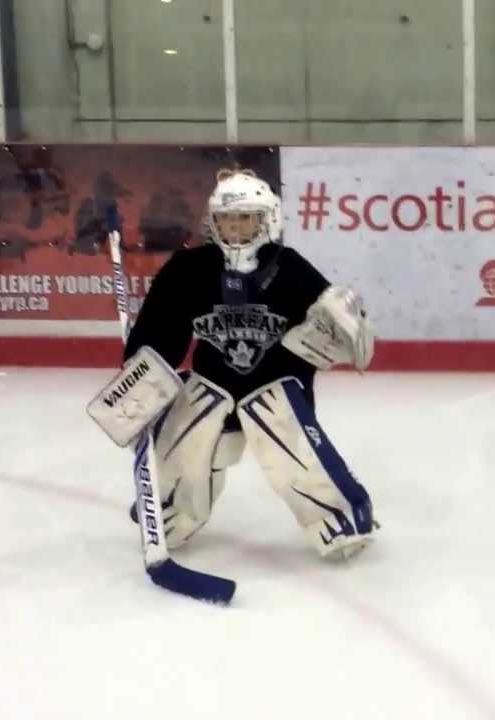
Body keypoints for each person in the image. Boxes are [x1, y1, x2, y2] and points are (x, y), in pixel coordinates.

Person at [94, 168, 378, 561]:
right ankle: (171, 510)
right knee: (183, 440)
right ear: (214, 221)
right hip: (214, 380)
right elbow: (164, 325)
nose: (236, 227)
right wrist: (142, 369)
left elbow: (326, 323)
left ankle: (339, 517)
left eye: (246, 217)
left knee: (292, 450)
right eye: (228, 218)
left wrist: (337, 324)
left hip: (275, 381)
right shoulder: (190, 269)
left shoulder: (289, 267)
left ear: (267, 220)